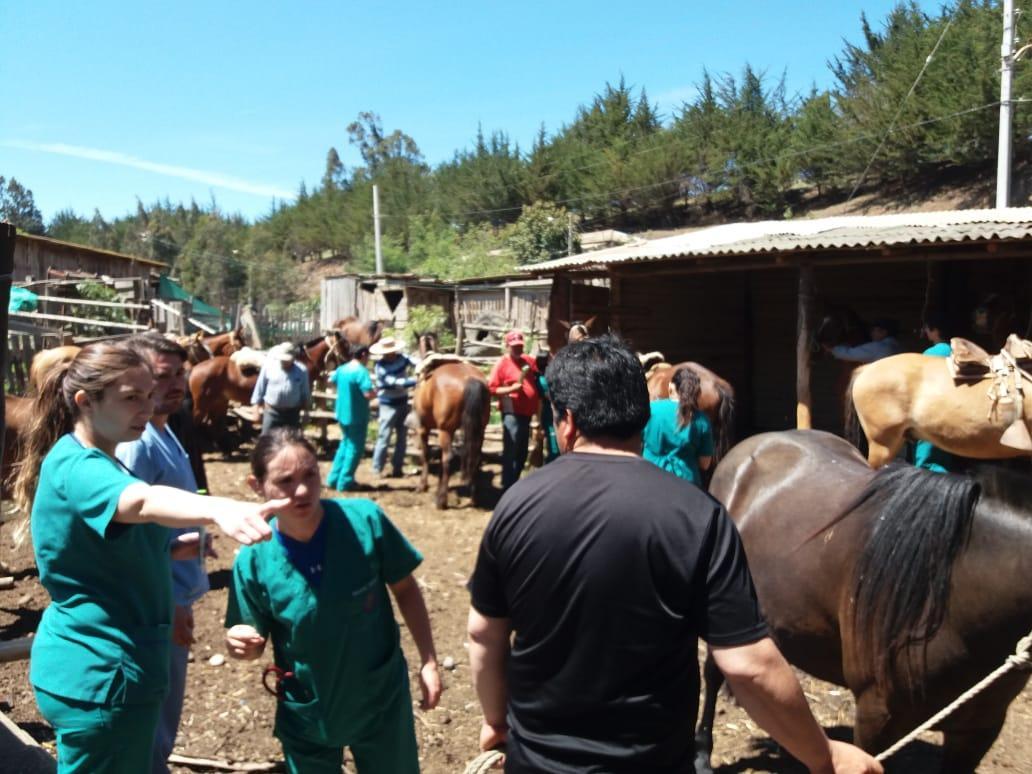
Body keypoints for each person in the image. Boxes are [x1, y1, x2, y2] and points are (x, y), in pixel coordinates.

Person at [467, 335, 882, 774]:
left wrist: (496, 720)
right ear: (643, 420)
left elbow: (483, 635)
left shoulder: (515, 504)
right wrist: (825, 754)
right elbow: (750, 666)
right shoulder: (697, 515)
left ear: (566, 421)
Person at [13, 342, 284, 774]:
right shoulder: (83, 467)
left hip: (107, 667)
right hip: (103, 672)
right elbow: (139, 503)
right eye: (131, 397)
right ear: (86, 401)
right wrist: (218, 507)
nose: (147, 406)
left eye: (148, 394)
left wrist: (173, 553)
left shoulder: (99, 456)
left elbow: (108, 546)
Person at [224, 428, 442, 774]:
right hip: (310, 709)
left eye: (310, 475)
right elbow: (251, 639)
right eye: (285, 481)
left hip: (378, 697)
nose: (302, 490)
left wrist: (428, 661)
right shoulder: (253, 558)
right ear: (257, 485)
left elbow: (405, 588)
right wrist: (241, 644)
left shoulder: (365, 521)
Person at [115, 333, 210, 774]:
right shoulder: (138, 444)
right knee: (152, 712)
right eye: (161, 376)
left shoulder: (163, 429)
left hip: (172, 594)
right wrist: (170, 601)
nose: (174, 384)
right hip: (157, 601)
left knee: (163, 709)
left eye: (179, 374)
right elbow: (129, 536)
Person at [642, 365, 714, 485]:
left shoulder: (651, 409)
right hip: (687, 484)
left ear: (671, 387)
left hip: (650, 479)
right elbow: (705, 464)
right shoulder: (702, 420)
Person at [487, 330, 540, 491]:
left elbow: (539, 375)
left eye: (520, 346)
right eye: (514, 347)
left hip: (527, 414)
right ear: (507, 346)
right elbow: (492, 388)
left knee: (522, 450)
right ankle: (507, 485)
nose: (517, 349)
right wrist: (511, 388)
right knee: (512, 448)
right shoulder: (501, 364)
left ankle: (515, 482)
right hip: (512, 412)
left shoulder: (529, 362)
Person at [327, 345, 376, 491]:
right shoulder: (361, 371)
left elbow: (332, 380)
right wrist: (377, 392)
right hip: (356, 414)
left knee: (345, 445)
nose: (368, 360)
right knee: (355, 448)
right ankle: (345, 481)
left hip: (342, 413)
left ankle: (333, 479)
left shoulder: (342, 369)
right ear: (363, 355)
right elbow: (368, 394)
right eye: (367, 357)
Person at [370, 337, 417, 479]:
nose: (390, 354)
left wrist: (423, 363)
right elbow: (395, 382)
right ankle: (377, 468)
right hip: (387, 404)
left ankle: (398, 468)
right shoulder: (380, 367)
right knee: (384, 436)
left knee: (402, 437)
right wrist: (416, 380)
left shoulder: (402, 358)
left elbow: (416, 362)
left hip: (402, 402)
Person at [913, 313, 954, 473]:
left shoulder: (932, 353)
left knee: (928, 455)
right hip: (952, 407)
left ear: (934, 330)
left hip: (933, 406)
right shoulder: (956, 350)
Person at [251, 342, 311, 434]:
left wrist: (306, 413)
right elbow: (259, 390)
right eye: (282, 360)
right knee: (267, 441)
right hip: (272, 412)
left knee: (291, 443)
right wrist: (256, 410)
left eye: (287, 360)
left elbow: (305, 393)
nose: (284, 362)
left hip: (292, 414)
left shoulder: (302, 371)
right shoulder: (268, 367)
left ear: (293, 358)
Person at [827, 319, 902, 363]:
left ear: (884, 332)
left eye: (874, 330)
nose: (871, 333)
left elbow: (849, 354)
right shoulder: (901, 347)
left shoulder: (878, 347)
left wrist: (832, 349)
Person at [532, 349, 559, 464]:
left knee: (553, 445)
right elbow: (541, 402)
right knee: (554, 447)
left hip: (549, 415)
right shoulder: (545, 379)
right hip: (551, 415)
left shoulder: (539, 378)